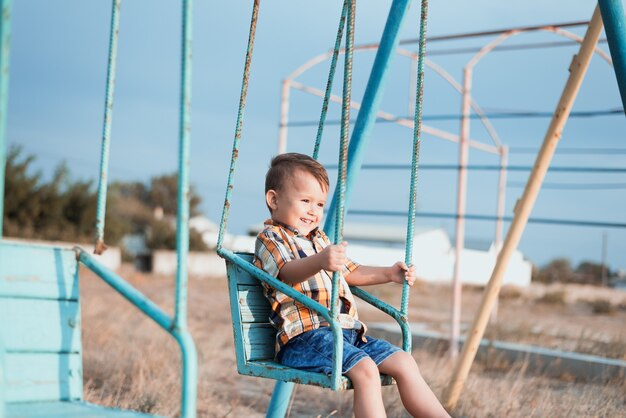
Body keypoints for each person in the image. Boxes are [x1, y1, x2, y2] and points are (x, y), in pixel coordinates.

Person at [253, 153, 450, 418]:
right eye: (305, 200)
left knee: (404, 361)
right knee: (365, 369)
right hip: (305, 338)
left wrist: (390, 274)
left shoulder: (320, 239)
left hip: (347, 334)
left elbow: (351, 272)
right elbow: (286, 273)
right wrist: (321, 261)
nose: (313, 210)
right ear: (274, 200)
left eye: (320, 204)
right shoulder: (271, 238)